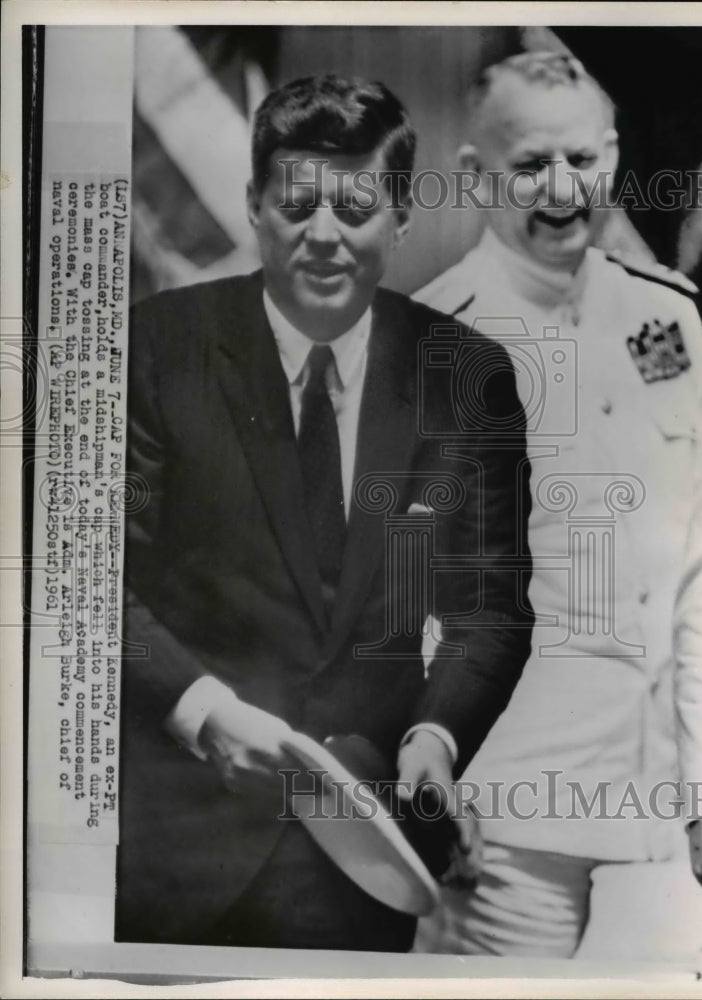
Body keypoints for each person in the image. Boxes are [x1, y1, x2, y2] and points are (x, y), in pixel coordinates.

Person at [116, 74, 534, 952]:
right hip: (173, 852)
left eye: (355, 207)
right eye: (296, 205)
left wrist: (436, 739)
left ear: (400, 215)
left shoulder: (469, 377)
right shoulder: (154, 348)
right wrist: (204, 711)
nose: (324, 236)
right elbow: (91, 585)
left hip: (363, 851)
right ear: (254, 206)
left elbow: (487, 610)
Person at [415, 51, 702, 957]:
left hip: (657, 823)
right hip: (505, 828)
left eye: (582, 161)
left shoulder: (666, 320)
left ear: (613, 158)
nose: (561, 189)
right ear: (474, 177)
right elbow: (401, 593)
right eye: (530, 164)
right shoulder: (433, 339)